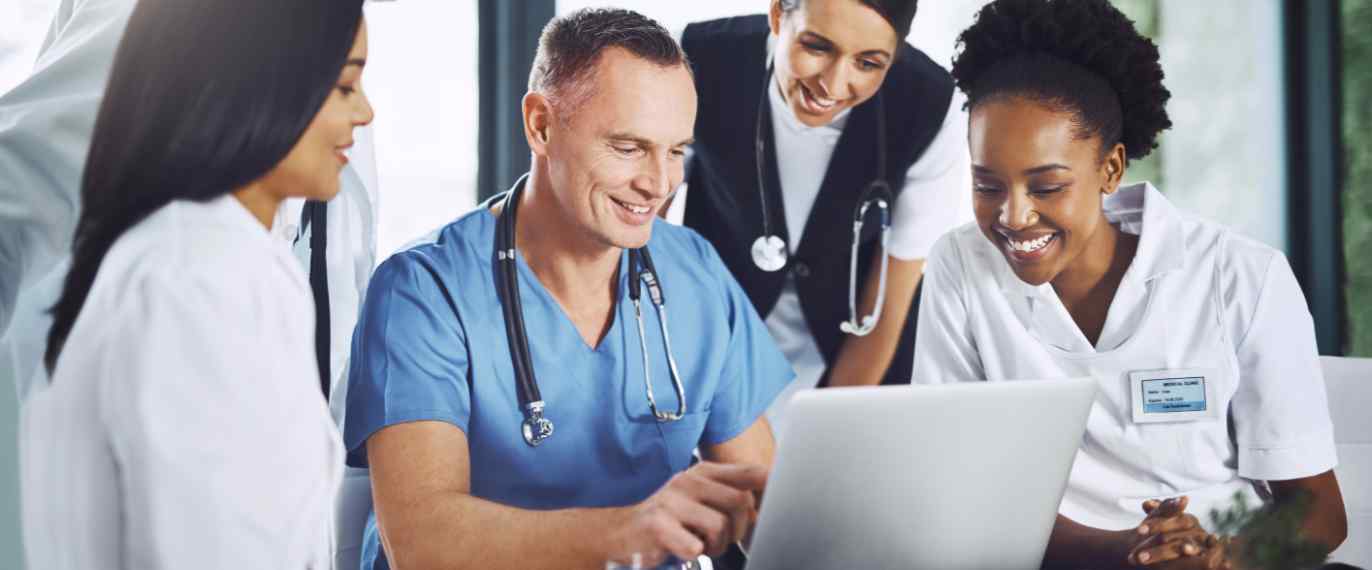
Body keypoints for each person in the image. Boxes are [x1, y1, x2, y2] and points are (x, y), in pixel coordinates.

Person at [344, 9, 793, 569]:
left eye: (676, 151)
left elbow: (771, 511)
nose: (658, 183)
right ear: (540, 125)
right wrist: (631, 529)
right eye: (629, 147)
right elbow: (421, 542)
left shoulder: (694, 272)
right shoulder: (424, 291)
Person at [912, 0, 1347, 567]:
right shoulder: (960, 265)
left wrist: (1222, 559)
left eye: (1046, 187)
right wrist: (1130, 554)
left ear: (1111, 169)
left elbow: (1318, 511)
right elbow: (958, 492)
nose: (1013, 217)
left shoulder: (1240, 276)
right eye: (987, 185)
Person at [19, 0, 375, 566]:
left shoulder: (226, 256)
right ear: (261, 84)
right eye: (344, 86)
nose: (367, 113)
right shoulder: (188, 280)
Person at [670, 0, 971, 426]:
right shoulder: (698, 58)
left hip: (860, 359)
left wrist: (822, 433)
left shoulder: (933, 107)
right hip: (719, 344)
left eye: (869, 63)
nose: (833, 83)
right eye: (816, 46)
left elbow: (888, 303)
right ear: (778, 15)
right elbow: (643, 229)